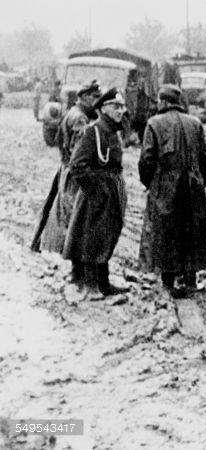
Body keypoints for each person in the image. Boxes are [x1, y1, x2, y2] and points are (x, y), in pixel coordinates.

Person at [138, 84, 206, 298]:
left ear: (162, 101)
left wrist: (150, 184)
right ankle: (190, 280)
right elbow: (205, 158)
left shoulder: (154, 123)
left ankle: (168, 282)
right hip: (192, 186)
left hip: (165, 187)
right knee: (191, 230)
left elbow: (147, 160)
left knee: (165, 232)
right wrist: (199, 182)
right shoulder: (195, 123)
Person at [62, 87, 130, 298]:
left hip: (112, 189)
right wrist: (98, 192)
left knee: (108, 235)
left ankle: (103, 282)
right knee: (93, 236)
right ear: (103, 109)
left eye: (122, 107)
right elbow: (78, 166)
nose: (121, 111)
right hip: (96, 193)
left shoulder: (111, 131)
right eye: (116, 107)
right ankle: (91, 286)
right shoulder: (93, 131)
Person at [38, 80, 102, 283]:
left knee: (74, 219)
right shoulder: (79, 118)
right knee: (79, 220)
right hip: (76, 176)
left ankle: (78, 272)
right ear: (83, 97)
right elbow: (79, 152)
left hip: (69, 172)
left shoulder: (74, 114)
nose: (96, 100)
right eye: (93, 97)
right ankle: (79, 273)